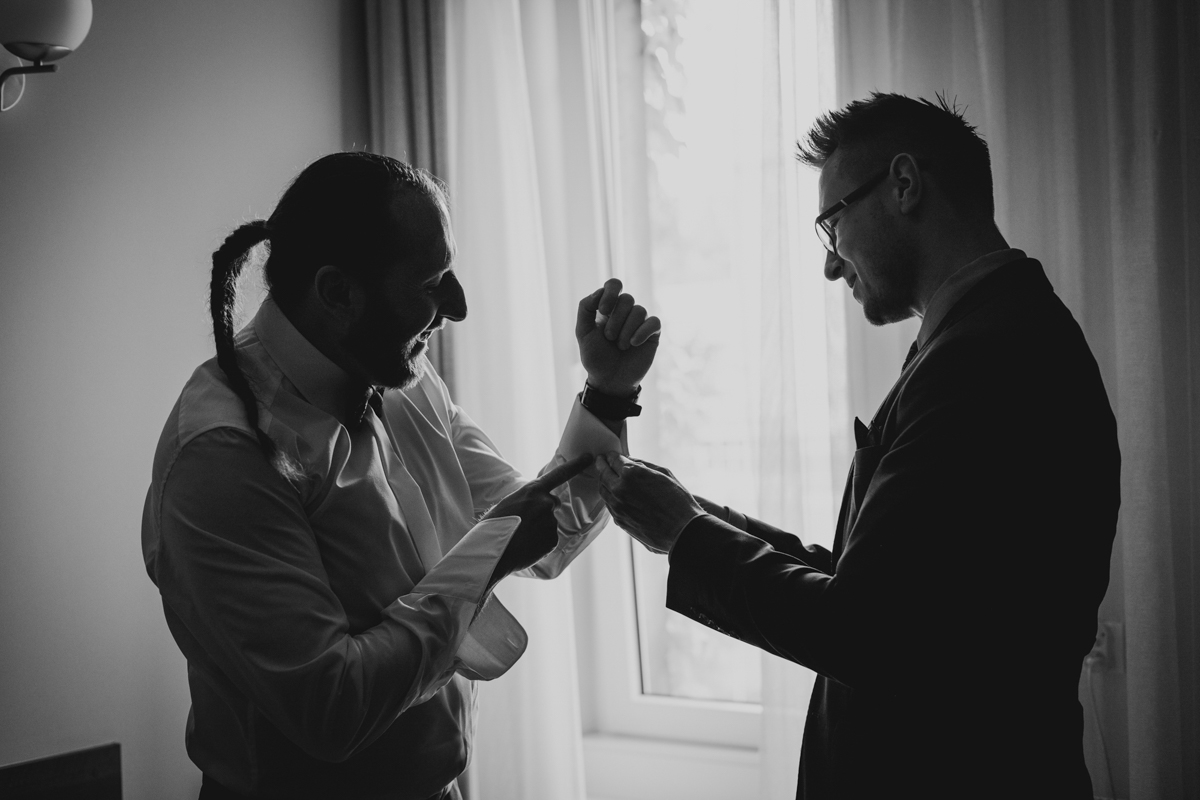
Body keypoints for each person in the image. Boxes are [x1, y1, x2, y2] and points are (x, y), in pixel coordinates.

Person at [594, 93, 1120, 798]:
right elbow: (882, 589)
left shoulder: (985, 356)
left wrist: (684, 535)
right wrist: (696, 516)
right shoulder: (987, 335)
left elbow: (863, 629)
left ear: (904, 185)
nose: (831, 265)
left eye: (832, 223)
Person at [141, 152, 661, 800]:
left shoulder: (402, 378)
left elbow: (543, 529)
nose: (458, 306)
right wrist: (488, 556)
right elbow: (332, 708)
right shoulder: (222, 457)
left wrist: (608, 392)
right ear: (338, 292)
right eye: (432, 282)